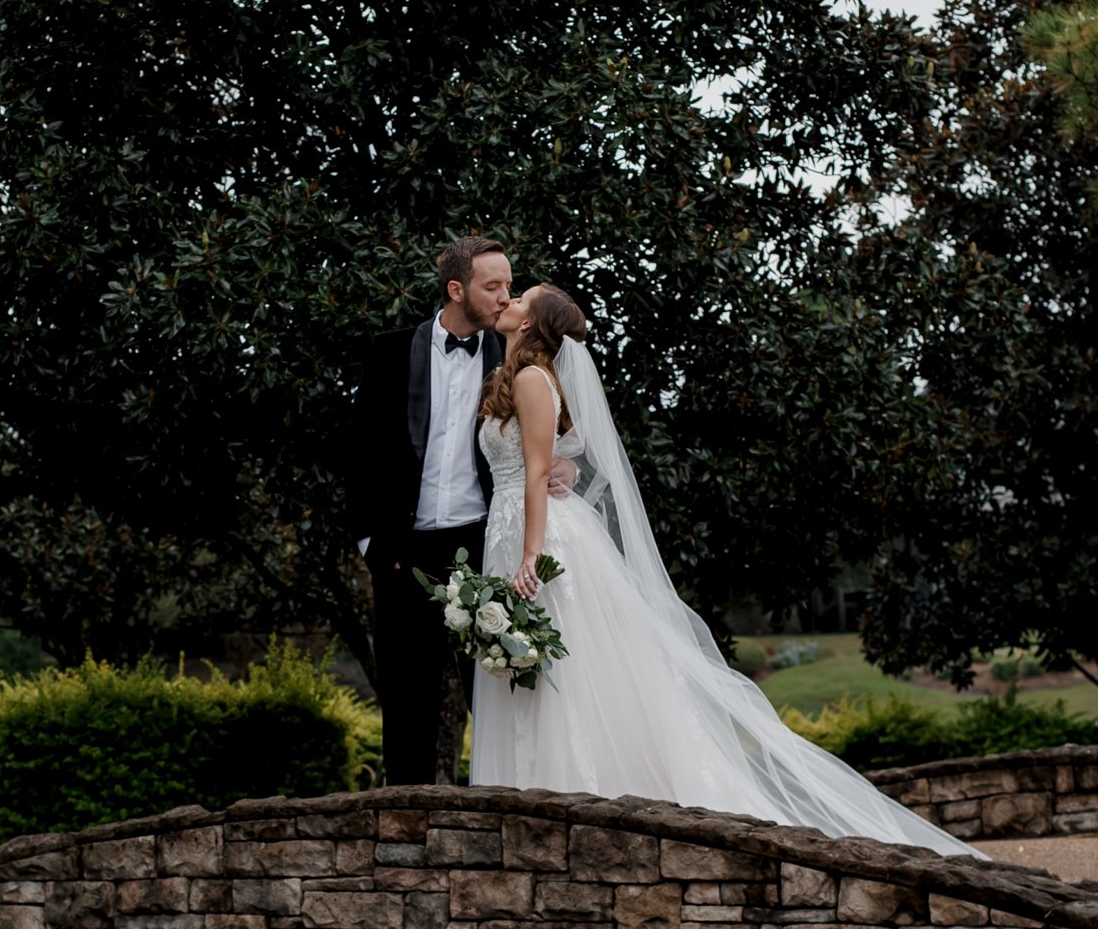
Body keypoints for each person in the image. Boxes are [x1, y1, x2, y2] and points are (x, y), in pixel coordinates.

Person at [465, 284, 980, 858]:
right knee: (527, 674)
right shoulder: (507, 378)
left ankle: (572, 814)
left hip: (543, 542)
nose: (508, 302)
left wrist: (531, 554)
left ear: (534, 325)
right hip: (507, 532)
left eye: (520, 300)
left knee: (563, 678)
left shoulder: (534, 380)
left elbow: (537, 473)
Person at [346, 238, 574, 785]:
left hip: (483, 549)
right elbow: (358, 450)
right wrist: (369, 544)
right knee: (406, 703)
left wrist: (566, 468)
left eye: (508, 286)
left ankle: (514, 812)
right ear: (457, 290)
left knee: (498, 694)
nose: (505, 297)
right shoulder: (391, 351)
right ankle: (406, 840)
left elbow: (546, 443)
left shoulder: (514, 357)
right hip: (402, 553)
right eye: (492, 287)